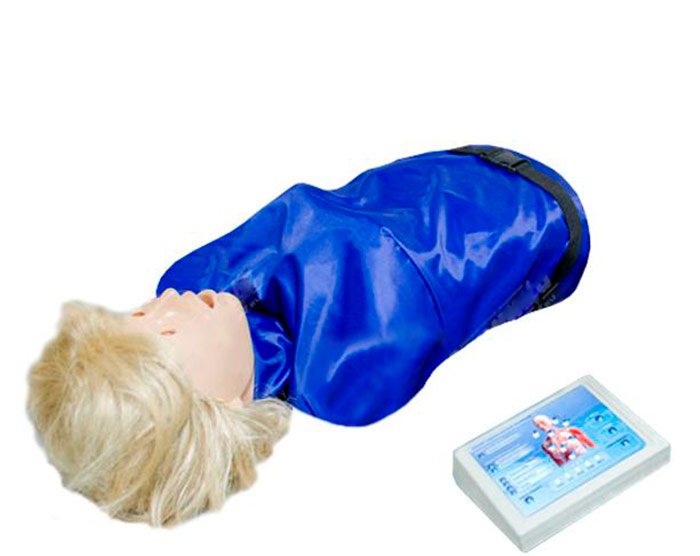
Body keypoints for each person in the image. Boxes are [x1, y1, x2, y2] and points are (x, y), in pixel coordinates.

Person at [26, 145, 590, 526]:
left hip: (453, 168)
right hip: (542, 223)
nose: (166, 304)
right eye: (164, 332)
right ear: (222, 407)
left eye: (135, 315)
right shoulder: (352, 372)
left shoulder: (198, 280)